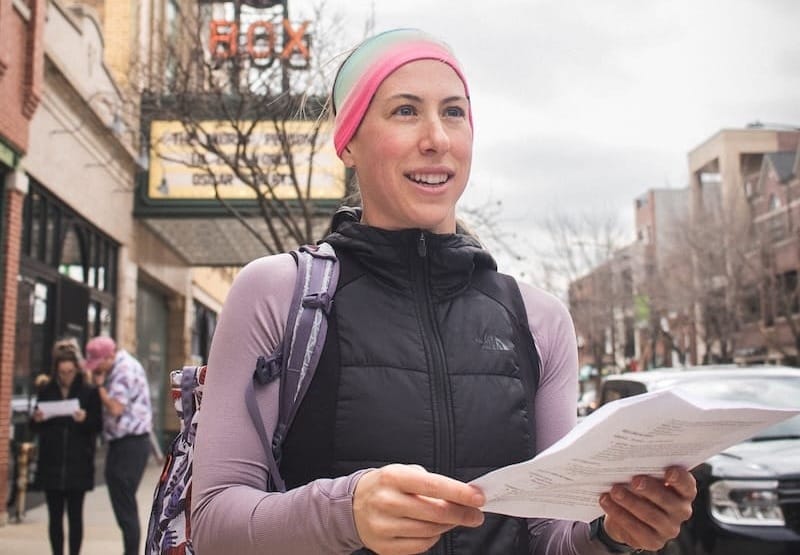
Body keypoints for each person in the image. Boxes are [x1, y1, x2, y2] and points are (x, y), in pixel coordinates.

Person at [192, 28, 697, 554]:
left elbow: (552, 537)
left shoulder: (539, 319)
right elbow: (213, 524)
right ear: (348, 143)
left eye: (454, 112)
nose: (437, 137)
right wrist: (346, 511)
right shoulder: (278, 294)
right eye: (405, 111)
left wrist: (615, 533)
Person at [32, 340, 102, 555]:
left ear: (76, 369)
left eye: (70, 372)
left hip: (78, 463)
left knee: (75, 516)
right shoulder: (46, 389)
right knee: (54, 517)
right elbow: (33, 426)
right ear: (56, 370)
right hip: (51, 462)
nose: (66, 376)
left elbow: (97, 425)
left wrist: (85, 419)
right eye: (62, 372)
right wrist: (37, 418)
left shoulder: (89, 391)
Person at [84, 335, 153, 555]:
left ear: (109, 355)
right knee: (124, 503)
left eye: (98, 364)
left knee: (125, 505)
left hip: (130, 444)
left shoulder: (123, 370)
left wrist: (99, 387)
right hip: (125, 443)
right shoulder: (121, 365)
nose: (97, 369)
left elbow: (115, 408)